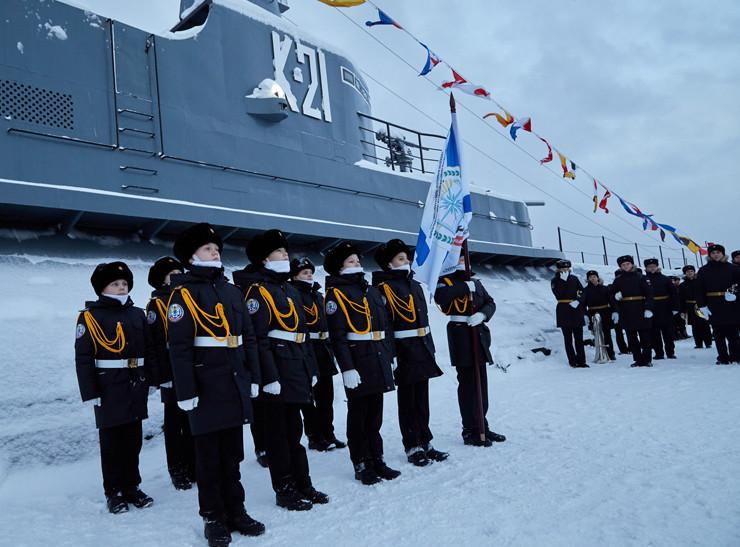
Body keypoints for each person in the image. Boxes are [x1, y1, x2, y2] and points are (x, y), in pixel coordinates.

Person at [168, 223, 264, 546]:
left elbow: (248, 338)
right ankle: (213, 518)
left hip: (234, 381)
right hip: (205, 385)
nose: (215, 252)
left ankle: (236, 511)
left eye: (216, 248)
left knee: (233, 455)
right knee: (208, 459)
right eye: (207, 248)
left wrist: (254, 377)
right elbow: (180, 347)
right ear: (191, 257)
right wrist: (186, 390)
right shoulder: (183, 295)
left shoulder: (232, 291)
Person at [232, 229, 328, 512]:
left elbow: (303, 333)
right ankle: (284, 489)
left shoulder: (288, 289)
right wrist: (269, 376)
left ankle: (303, 483)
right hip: (276, 370)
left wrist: (310, 367)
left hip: (296, 367)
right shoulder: (256, 292)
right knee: (278, 435)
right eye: (279, 252)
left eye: (286, 251)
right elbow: (258, 338)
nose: (286, 255)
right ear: (264, 259)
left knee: (295, 432)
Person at [75, 261, 154, 514]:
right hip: (108, 386)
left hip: (135, 383)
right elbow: (83, 357)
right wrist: (90, 392)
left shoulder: (137, 314)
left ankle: (132, 486)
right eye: (115, 284)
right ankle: (114, 492)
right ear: (101, 289)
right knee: (111, 443)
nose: (122, 287)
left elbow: (150, 349)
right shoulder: (90, 316)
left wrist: (151, 379)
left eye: (124, 283)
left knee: (133, 440)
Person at [323, 241, 400, 485]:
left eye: (357, 260)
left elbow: (385, 326)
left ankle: (377, 459)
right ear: (339, 268)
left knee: (375, 416)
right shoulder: (336, 294)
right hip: (358, 361)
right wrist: (347, 367)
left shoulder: (371, 291)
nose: (357, 263)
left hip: (377, 357)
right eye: (350, 261)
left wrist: (389, 355)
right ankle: (362, 463)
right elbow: (338, 336)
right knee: (359, 416)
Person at [372, 239, 447, 467]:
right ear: (389, 264)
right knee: (408, 401)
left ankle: (425, 441)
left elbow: (423, 318)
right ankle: (412, 445)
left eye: (407, 257)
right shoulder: (384, 288)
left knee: (422, 399)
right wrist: (391, 354)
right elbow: (386, 325)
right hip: (403, 350)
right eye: (400, 258)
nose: (407, 261)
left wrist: (430, 347)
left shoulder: (414, 285)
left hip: (422, 347)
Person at [434, 255, 505, 447]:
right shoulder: (445, 281)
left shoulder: (476, 282)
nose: (463, 262)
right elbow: (442, 298)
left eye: (465, 259)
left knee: (481, 384)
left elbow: (490, 302)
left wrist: (483, 314)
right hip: (461, 335)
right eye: (459, 259)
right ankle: (470, 429)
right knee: (468, 385)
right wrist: (464, 287)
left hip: (478, 334)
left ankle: (483, 426)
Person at [146, 256, 196, 491]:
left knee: (193, 419)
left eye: (179, 272)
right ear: (161, 280)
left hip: (190, 366)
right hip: (171, 370)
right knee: (175, 423)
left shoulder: (188, 297)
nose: (177, 277)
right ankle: (177, 469)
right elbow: (155, 344)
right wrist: (162, 376)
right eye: (171, 274)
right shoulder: (157, 305)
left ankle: (194, 465)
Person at [288, 257, 346, 452]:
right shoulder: (294, 295)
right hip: (307, 349)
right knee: (310, 398)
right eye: (305, 273)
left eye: (311, 272)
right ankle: (315, 436)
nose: (309, 275)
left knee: (326, 396)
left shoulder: (318, 296)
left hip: (323, 348)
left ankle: (328, 433)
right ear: (294, 277)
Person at [696, 244, 740, 364]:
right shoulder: (704, 270)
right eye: (713, 253)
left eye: (718, 252)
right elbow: (699, 289)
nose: (716, 255)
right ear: (709, 255)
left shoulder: (733, 268)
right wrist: (702, 305)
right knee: (718, 333)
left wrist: (736, 295)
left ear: (723, 254)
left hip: (731, 304)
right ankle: (722, 357)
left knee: (733, 333)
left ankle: (736, 356)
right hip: (713, 304)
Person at [610, 255, 655, 367]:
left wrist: (648, 308)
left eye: (628, 264)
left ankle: (647, 359)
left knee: (645, 337)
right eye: (623, 265)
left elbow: (649, 294)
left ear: (632, 264)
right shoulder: (618, 280)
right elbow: (611, 294)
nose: (626, 266)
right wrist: (615, 296)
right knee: (631, 337)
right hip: (626, 311)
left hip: (641, 309)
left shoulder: (641, 277)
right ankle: (637, 359)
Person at [550, 259, 587, 368]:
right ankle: (572, 361)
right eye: (562, 268)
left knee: (579, 338)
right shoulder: (555, 280)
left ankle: (582, 361)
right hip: (564, 309)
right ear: (558, 269)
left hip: (576, 309)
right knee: (568, 338)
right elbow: (558, 294)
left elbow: (583, 292)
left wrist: (579, 301)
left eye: (567, 268)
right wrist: (563, 281)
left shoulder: (574, 279)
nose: (565, 270)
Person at [643, 258, 679, 360]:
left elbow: (674, 293)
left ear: (657, 267)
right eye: (649, 267)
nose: (652, 268)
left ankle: (670, 352)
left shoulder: (665, 279)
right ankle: (659, 353)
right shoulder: (643, 279)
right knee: (654, 333)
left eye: (654, 266)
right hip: (651, 308)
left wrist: (675, 307)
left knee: (668, 333)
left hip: (665, 308)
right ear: (646, 268)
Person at [579, 269, 616, 361]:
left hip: (605, 312)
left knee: (607, 333)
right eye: (590, 277)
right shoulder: (586, 290)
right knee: (597, 333)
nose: (593, 278)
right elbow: (582, 303)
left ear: (597, 278)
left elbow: (611, 301)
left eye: (594, 277)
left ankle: (610, 353)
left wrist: (614, 311)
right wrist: (585, 314)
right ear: (588, 279)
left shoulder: (605, 288)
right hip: (592, 312)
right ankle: (599, 352)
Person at [678, 265, 713, 349]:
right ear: (685, 273)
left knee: (705, 324)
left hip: (701, 305)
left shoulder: (700, 282)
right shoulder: (682, 285)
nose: (690, 273)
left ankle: (708, 342)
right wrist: (683, 310)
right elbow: (681, 298)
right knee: (695, 326)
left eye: (691, 271)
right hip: (690, 306)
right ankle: (698, 343)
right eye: (688, 272)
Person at [610, 270, 630, 355]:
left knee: (629, 331)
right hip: (617, 312)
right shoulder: (612, 287)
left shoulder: (628, 286)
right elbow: (611, 299)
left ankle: (631, 347)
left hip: (627, 311)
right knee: (618, 332)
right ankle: (623, 349)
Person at [669, 276, 689, 340]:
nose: (675, 282)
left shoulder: (680, 287)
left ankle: (682, 332)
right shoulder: (670, 288)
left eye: (677, 280)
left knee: (681, 321)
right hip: (672, 306)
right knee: (674, 322)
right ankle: (675, 334)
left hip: (680, 306)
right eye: (674, 280)